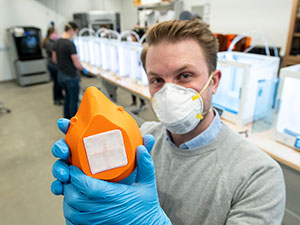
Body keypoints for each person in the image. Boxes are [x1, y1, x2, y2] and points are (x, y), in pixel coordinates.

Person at [50, 20, 286, 224]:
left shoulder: (259, 176)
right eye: (158, 80)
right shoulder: (141, 140)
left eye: (184, 76)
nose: (169, 91)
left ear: (214, 82)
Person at [52, 22, 88, 119]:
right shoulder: (70, 44)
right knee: (73, 100)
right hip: (70, 77)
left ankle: (67, 120)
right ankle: (74, 123)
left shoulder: (57, 42)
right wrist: (85, 70)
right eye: (76, 32)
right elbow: (76, 64)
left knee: (67, 98)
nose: (75, 34)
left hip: (61, 75)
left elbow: (54, 60)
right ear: (71, 30)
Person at [41, 26, 64, 105]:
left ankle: (60, 97)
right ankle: (57, 99)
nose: (56, 34)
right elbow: (56, 52)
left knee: (58, 82)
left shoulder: (52, 42)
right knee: (57, 83)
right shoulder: (48, 43)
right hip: (53, 65)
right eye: (55, 33)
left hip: (53, 64)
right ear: (50, 33)